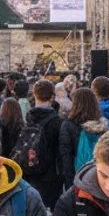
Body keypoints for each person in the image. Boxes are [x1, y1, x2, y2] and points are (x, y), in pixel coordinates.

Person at [14, 80, 65, 209]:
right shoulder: (57, 122)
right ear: (52, 96)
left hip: (29, 171)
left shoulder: (28, 119)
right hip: (50, 176)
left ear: (35, 95)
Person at [57, 89, 109, 190]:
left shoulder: (68, 125)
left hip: (79, 176)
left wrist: (70, 184)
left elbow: (66, 157)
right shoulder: (104, 124)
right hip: (101, 174)